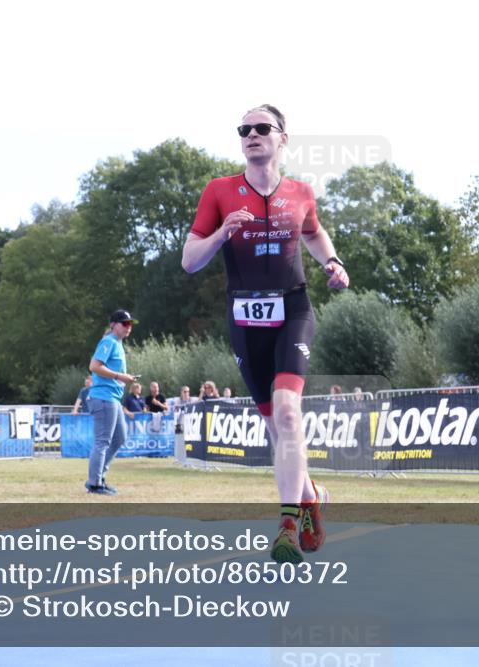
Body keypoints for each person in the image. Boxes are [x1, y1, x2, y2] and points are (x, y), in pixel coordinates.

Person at [182, 103, 349, 564]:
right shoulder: (219, 191)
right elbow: (189, 259)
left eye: (262, 128)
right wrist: (220, 235)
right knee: (278, 431)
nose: (252, 134)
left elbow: (314, 234)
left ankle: (288, 527)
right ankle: (311, 494)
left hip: (293, 309)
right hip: (244, 317)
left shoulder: (300, 192)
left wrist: (333, 264)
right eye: (244, 129)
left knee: (289, 414)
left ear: (282, 138)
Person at [85, 310, 140, 495]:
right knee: (103, 441)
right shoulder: (109, 341)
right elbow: (94, 366)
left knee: (120, 437)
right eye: (124, 323)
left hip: (111, 398)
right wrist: (119, 376)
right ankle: (94, 483)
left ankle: (98, 477)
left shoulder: (116, 344)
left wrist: (124, 378)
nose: (128, 327)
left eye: (130, 324)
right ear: (113, 325)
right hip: (104, 398)